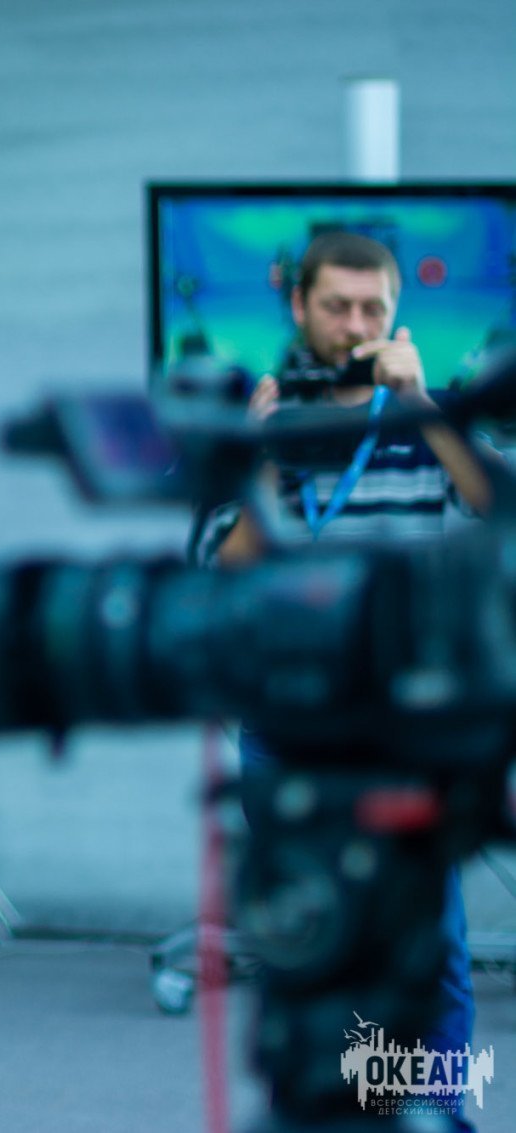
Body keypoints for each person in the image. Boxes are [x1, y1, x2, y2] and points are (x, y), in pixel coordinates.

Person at [211, 230, 487, 1130]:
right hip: (289, 724)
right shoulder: (259, 425)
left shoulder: (430, 421)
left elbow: (501, 513)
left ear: (397, 313)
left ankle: (433, 1118)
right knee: (316, 940)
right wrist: (258, 452)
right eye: (337, 306)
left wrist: (420, 407)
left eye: (375, 308)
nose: (356, 325)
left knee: (427, 941)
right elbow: (221, 570)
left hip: (406, 721)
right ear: (299, 307)